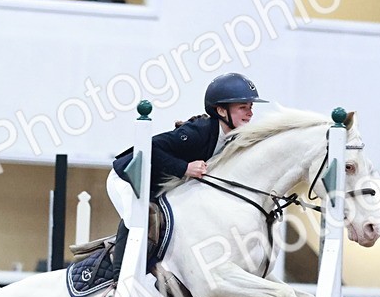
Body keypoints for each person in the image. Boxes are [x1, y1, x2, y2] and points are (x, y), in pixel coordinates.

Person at [103, 72, 267, 274]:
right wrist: (185, 168)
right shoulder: (199, 131)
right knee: (139, 218)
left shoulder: (231, 138)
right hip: (128, 179)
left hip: (157, 186)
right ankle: (119, 279)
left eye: (251, 107)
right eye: (243, 107)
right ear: (221, 110)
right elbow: (150, 147)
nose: (250, 113)